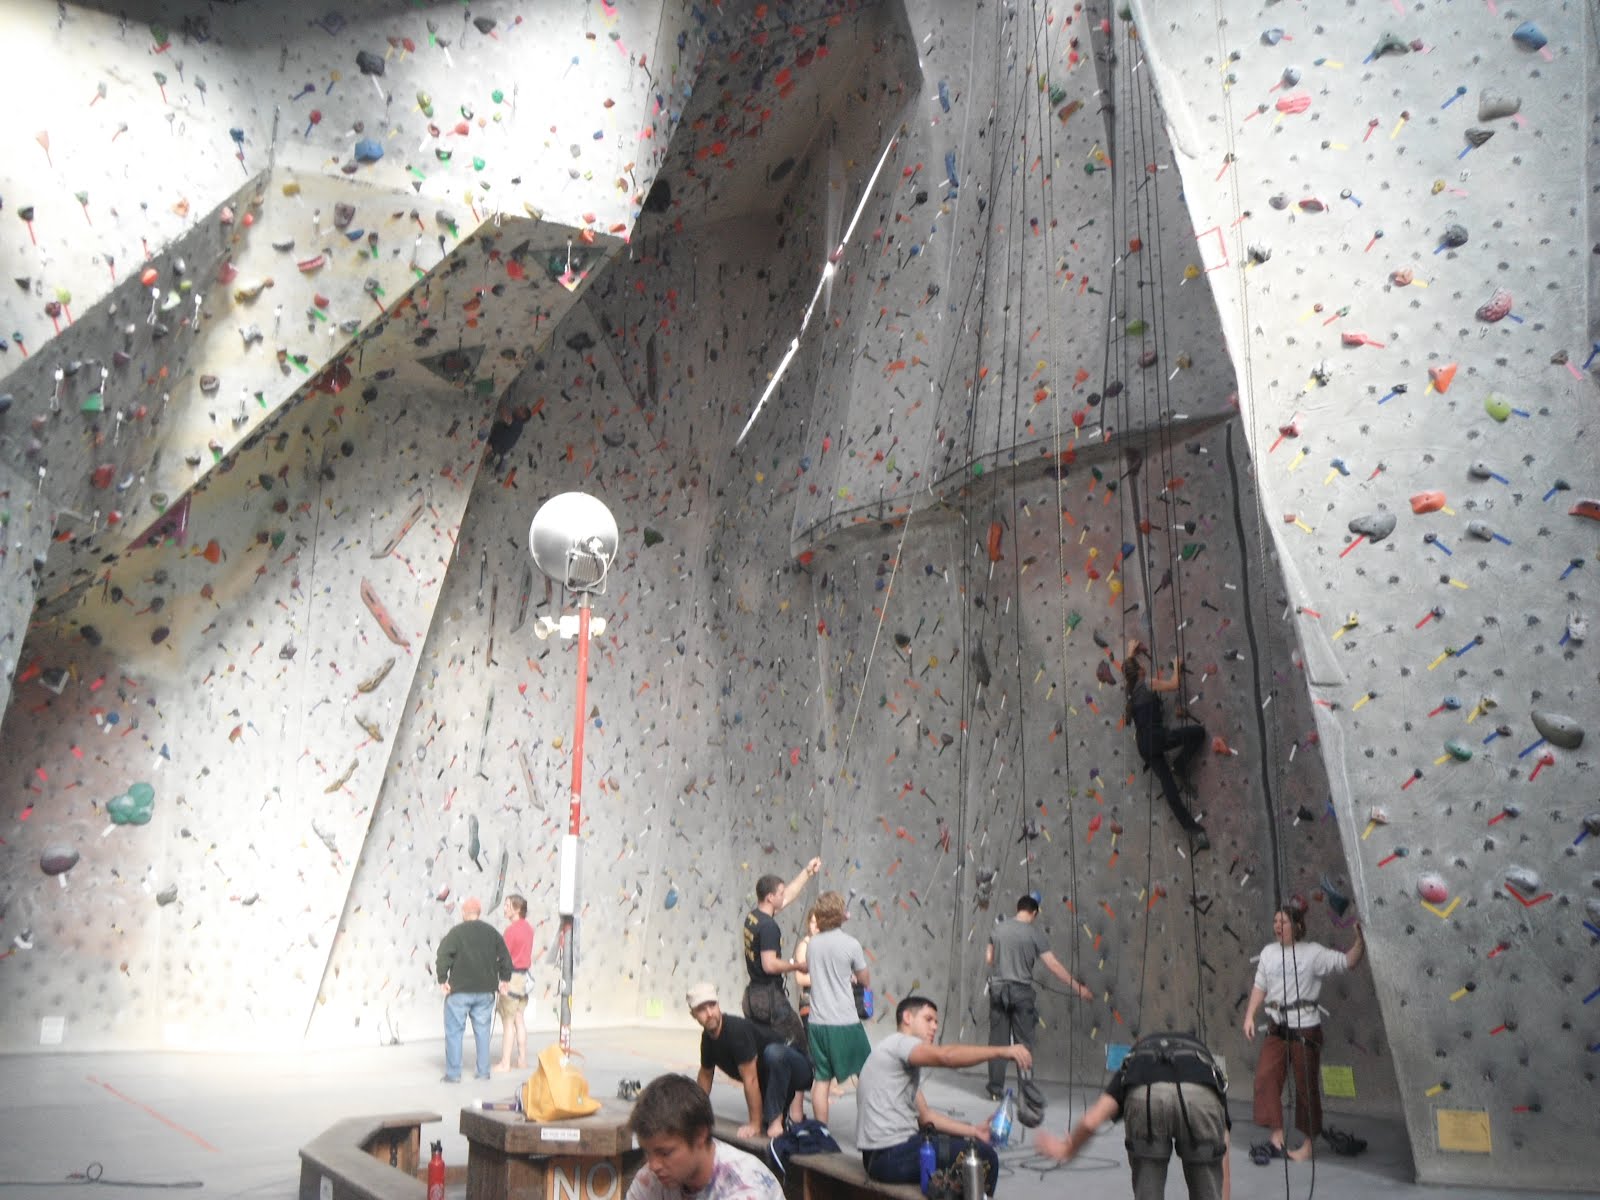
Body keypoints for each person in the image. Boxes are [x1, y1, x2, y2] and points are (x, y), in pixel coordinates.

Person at [856, 995, 1031, 1197]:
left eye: (937, 1022)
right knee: (985, 1156)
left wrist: (974, 1131)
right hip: (891, 1156)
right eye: (928, 1019)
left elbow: (927, 1117)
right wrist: (1002, 1051)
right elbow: (946, 1056)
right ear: (907, 1018)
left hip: (880, 1158)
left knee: (966, 1148)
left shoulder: (893, 1055)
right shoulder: (901, 1044)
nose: (934, 1027)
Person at [1036, 1031, 1232, 1200]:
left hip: (1145, 1095)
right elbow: (1222, 1149)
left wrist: (1066, 1149)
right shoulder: (1207, 1067)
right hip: (1200, 1096)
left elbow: (1091, 1122)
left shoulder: (1135, 1061)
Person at [1242, 905, 1366, 1163]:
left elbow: (1348, 962)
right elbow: (1259, 986)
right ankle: (1277, 1139)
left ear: (1297, 925)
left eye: (1284, 921)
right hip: (1277, 1027)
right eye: (1275, 921)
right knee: (1265, 1077)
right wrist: (1250, 1016)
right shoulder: (1268, 953)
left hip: (1304, 1027)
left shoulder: (1313, 953)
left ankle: (1308, 1145)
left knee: (1305, 1086)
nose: (1278, 926)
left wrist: (1360, 941)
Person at [985, 894, 1093, 1102]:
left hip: (998, 991)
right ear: (1034, 913)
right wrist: (1079, 988)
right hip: (1021, 993)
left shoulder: (998, 928)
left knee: (997, 1042)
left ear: (1018, 909)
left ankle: (994, 1091)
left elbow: (989, 959)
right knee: (1023, 1044)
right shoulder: (1035, 935)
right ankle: (1025, 1093)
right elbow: (1053, 965)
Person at [626, 1072, 783, 1200]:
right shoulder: (651, 1180)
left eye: (665, 1153)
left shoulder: (746, 1188)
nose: (653, 1165)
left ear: (700, 1135)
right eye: (647, 1152)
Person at [689, 981, 814, 1139]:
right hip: (772, 1080)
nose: (709, 1013)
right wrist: (694, 1114)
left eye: (712, 1005)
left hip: (798, 1068)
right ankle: (782, 1118)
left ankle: (776, 1119)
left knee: (773, 1053)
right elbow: (705, 1075)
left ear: (718, 1005)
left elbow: (751, 1080)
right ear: (693, 1014)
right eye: (701, 1009)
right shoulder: (708, 1039)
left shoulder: (735, 1031)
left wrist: (754, 1124)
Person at [1123, 642, 1209, 851]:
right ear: (1141, 670)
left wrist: (1130, 653)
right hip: (1158, 738)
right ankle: (1179, 764)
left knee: (1169, 788)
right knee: (1198, 733)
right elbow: (1173, 685)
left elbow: (1127, 671)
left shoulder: (1130, 693)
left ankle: (1195, 831)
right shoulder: (1147, 684)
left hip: (1144, 746)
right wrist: (1176, 665)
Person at [803, 891, 872, 1125]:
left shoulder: (812, 945)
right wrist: (851, 976)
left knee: (821, 1080)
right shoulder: (851, 944)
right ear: (842, 914)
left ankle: (821, 1131)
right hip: (844, 1022)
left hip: (816, 1023)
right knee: (867, 1074)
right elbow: (865, 980)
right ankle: (869, 1126)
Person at [741, 857, 821, 1046]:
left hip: (752, 995)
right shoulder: (769, 927)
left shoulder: (753, 917)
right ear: (770, 897)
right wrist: (797, 965)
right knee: (799, 1043)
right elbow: (770, 965)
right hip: (769, 999)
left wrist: (807, 872)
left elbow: (789, 894)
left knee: (762, 1046)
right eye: (780, 894)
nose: (783, 897)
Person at [435, 896, 513, 1082]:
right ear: (479, 913)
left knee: (454, 1032)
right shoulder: (491, 932)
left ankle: (454, 1074)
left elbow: (443, 955)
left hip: (459, 992)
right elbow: (505, 957)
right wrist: (504, 979)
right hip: (485, 992)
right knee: (483, 1031)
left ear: (463, 913)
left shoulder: (456, 933)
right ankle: (483, 1072)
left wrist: (442, 979)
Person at [493, 893, 533, 1073]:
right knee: (519, 1018)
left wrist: (501, 980)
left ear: (517, 909)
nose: (505, 908)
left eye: (508, 905)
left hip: (511, 978)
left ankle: (505, 1063)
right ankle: (522, 1059)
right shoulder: (529, 929)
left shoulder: (511, 931)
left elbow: (503, 957)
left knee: (508, 1022)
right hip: (524, 978)